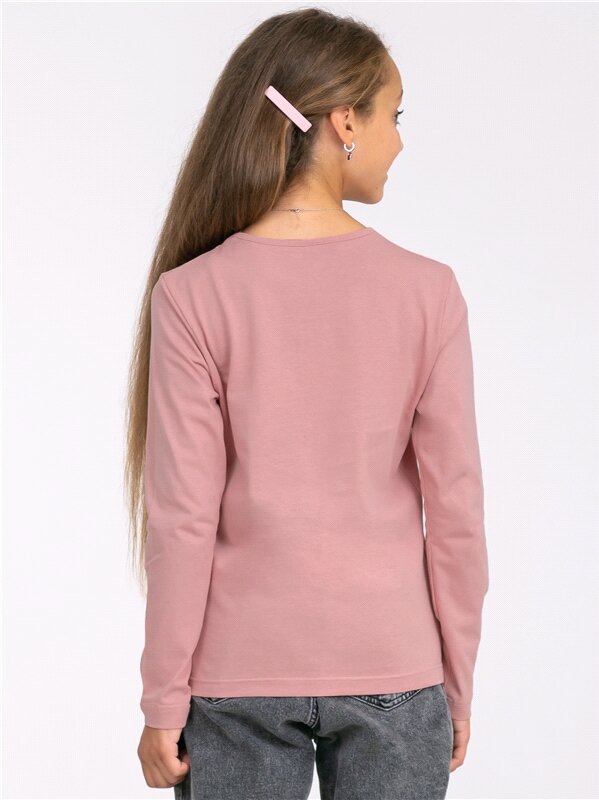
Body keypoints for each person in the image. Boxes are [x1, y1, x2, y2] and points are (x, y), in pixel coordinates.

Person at [125, 7, 489, 799]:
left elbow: (182, 521)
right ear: (343, 121)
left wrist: (163, 700)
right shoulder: (427, 292)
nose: (399, 142)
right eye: (394, 117)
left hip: (237, 678)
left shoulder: (193, 293)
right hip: (395, 670)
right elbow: (455, 512)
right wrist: (455, 682)